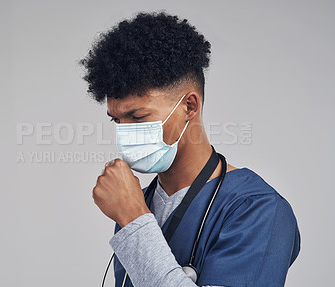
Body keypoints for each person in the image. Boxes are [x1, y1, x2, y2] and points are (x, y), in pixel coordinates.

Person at [79, 11, 301, 287]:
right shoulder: (142, 202)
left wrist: (133, 218)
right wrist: (134, 213)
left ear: (189, 106)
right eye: (117, 120)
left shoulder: (258, 210)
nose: (125, 132)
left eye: (137, 118)